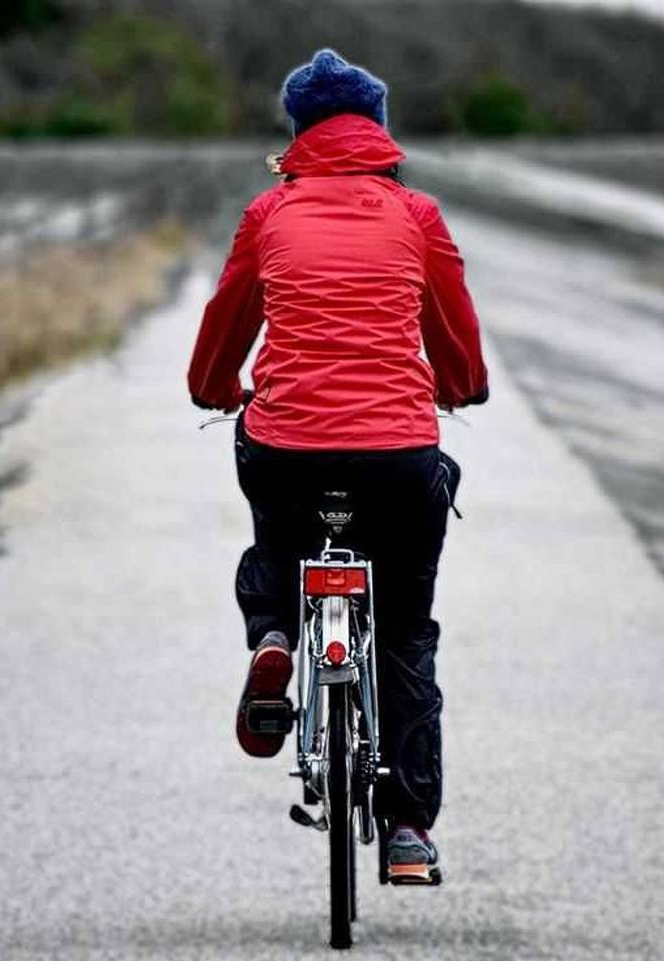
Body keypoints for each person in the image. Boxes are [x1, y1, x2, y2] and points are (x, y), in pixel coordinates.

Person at [187, 48, 488, 882]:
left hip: (288, 449)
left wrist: (213, 389)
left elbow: (225, 325)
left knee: (276, 550)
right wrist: (464, 386)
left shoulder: (266, 214)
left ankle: (277, 634)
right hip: (397, 456)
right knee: (403, 631)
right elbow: (454, 333)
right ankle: (407, 831)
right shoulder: (417, 214)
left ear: (300, 132)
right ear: (378, 130)